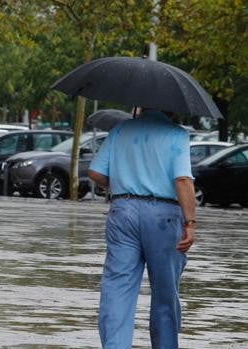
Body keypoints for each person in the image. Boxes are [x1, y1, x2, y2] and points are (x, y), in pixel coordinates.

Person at [87, 108, 196, 348]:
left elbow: (95, 172)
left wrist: (122, 186)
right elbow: (182, 180)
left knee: (117, 288)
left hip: (122, 210)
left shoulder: (120, 130)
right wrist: (190, 222)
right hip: (163, 216)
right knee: (165, 292)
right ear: (170, 107)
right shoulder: (176, 134)